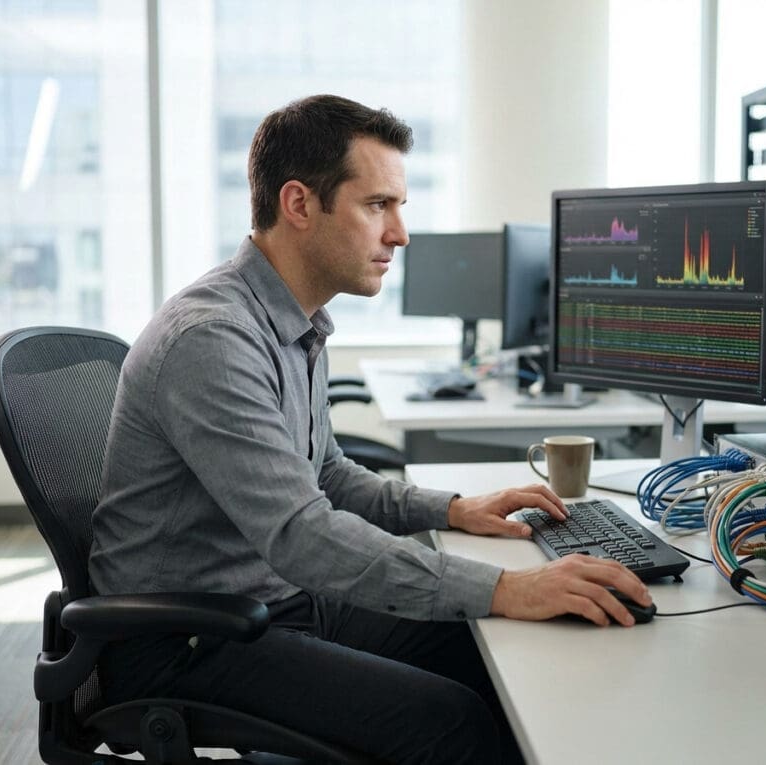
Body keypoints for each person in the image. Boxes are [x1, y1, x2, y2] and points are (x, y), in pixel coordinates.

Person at [88, 94, 651, 764]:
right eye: (378, 205)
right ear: (299, 204)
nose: (400, 233)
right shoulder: (213, 339)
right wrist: (508, 585)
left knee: (487, 647)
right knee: (454, 719)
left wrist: (452, 509)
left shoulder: (295, 322)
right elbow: (301, 533)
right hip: (190, 641)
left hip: (271, 602)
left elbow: (323, 472)